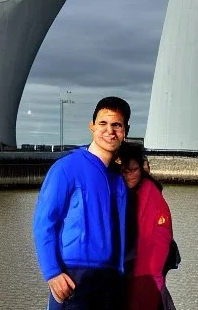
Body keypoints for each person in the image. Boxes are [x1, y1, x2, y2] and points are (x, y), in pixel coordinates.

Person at [33, 96, 130, 310]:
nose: (109, 131)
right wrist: (52, 272)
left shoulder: (119, 179)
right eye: (103, 123)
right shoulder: (67, 168)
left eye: (117, 125)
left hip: (111, 278)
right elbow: (44, 222)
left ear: (125, 131)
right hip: (74, 276)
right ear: (92, 126)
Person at [119, 143, 176, 310]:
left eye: (134, 170)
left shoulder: (152, 197)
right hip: (126, 274)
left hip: (146, 277)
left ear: (142, 169)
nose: (129, 176)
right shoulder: (120, 192)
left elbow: (160, 241)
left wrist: (155, 280)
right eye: (124, 171)